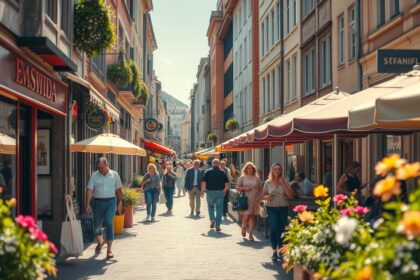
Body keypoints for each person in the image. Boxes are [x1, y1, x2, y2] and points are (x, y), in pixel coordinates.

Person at [85, 157, 122, 259]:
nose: (100, 169)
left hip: (111, 201)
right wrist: (87, 204)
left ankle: (109, 250)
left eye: (102, 167)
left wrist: (120, 202)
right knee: (97, 226)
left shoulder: (114, 175)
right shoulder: (94, 175)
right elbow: (89, 190)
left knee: (109, 223)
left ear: (107, 165)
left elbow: (118, 189)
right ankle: (100, 241)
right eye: (99, 168)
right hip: (97, 202)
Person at [262, 163, 294, 262]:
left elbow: (290, 194)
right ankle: (274, 252)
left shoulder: (285, 181)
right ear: (272, 170)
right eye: (275, 169)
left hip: (283, 208)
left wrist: (283, 183)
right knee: (274, 228)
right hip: (271, 208)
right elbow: (263, 196)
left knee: (281, 229)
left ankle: (280, 250)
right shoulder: (268, 182)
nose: (277, 171)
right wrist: (267, 197)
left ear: (281, 171)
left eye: (279, 169)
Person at [201, 159, 230, 231]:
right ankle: (218, 225)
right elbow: (227, 183)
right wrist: (225, 190)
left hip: (210, 192)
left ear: (212, 164)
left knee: (210, 206)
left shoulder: (207, 171)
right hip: (220, 192)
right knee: (219, 208)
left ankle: (212, 219)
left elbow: (203, 182)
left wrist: (202, 191)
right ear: (219, 164)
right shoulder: (223, 172)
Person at [236, 162, 263, 241]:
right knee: (246, 215)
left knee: (252, 216)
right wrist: (245, 188)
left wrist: (259, 197)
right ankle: (244, 226)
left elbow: (261, 189)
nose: (250, 169)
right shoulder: (242, 177)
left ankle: (250, 234)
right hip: (245, 199)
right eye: (248, 168)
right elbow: (237, 188)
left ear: (254, 169)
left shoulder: (257, 178)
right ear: (246, 169)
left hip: (255, 199)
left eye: (251, 168)